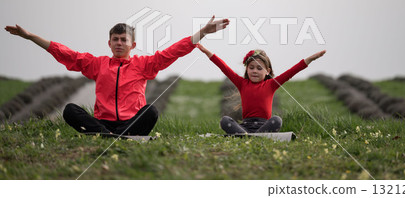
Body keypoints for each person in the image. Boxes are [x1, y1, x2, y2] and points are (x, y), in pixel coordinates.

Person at [5, 16, 229, 136]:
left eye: (124, 40)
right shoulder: (98, 64)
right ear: (109, 43)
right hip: (103, 121)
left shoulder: (143, 64)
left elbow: (173, 52)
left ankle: (109, 135)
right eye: (116, 39)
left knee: (151, 111)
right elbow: (65, 53)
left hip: (131, 122)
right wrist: (31, 36)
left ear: (133, 44)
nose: (119, 43)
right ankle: (107, 133)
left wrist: (201, 33)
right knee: (70, 110)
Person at [197, 44, 326, 134]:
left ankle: (255, 136)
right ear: (247, 69)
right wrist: (208, 52)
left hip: (264, 126)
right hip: (245, 127)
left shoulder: (271, 84)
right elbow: (224, 67)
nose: (255, 71)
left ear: (267, 71)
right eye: (251, 67)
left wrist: (310, 59)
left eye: (259, 68)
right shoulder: (242, 83)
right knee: (225, 120)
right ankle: (247, 136)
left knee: (277, 120)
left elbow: (292, 71)